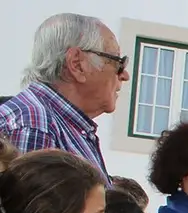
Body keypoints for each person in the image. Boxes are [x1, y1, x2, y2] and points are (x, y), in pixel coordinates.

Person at [0, 13, 128, 177]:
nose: (125, 75)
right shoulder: (35, 124)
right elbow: (34, 202)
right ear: (77, 65)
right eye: (118, 62)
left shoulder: (55, 123)